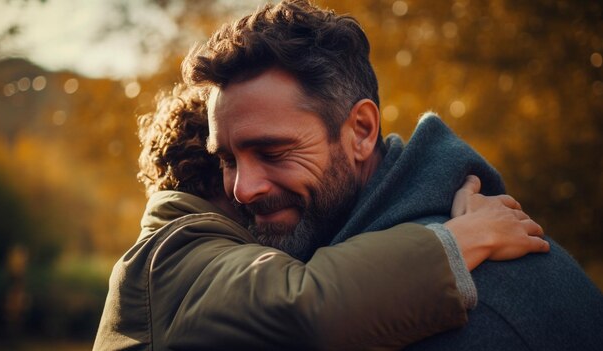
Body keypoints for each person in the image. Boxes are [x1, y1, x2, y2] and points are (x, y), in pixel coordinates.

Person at [183, 0, 603, 350]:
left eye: (273, 151)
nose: (243, 189)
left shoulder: (467, 312)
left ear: (362, 132)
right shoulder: (321, 277)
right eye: (228, 160)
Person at [94, 82, 546, 350]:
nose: (252, 188)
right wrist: (463, 238)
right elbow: (308, 302)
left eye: (272, 154)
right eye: (234, 162)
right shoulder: (176, 254)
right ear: (215, 175)